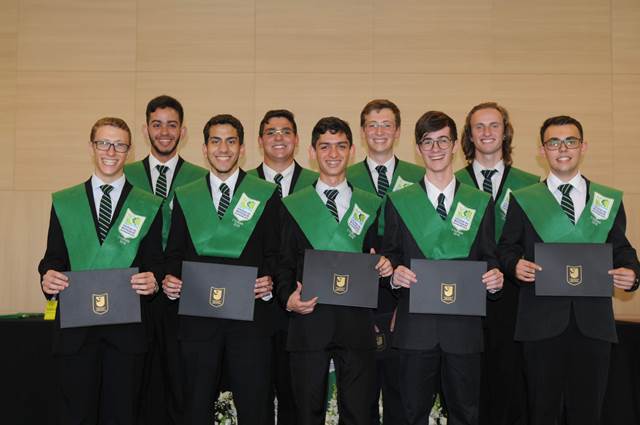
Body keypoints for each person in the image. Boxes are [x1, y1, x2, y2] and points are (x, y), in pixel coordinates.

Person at [498, 115, 640, 425]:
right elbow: (507, 248)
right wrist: (514, 265)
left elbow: (621, 248)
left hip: (594, 325)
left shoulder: (607, 200)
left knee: (588, 412)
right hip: (540, 323)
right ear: (542, 151)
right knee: (542, 411)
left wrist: (632, 272)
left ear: (583, 147)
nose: (563, 148)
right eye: (554, 142)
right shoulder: (523, 200)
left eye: (570, 141)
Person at [39, 117, 163, 425]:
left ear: (129, 151)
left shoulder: (148, 205)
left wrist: (154, 279)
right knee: (75, 415)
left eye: (120, 144)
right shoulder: (65, 202)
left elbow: (156, 264)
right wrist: (48, 276)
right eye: (104, 143)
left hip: (127, 333)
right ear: (92, 147)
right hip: (76, 332)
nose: (111, 151)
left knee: (123, 415)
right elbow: (53, 258)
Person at [383, 111, 503, 425]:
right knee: (411, 414)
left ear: (453, 146)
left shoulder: (480, 202)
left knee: (466, 413)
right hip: (415, 330)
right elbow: (391, 255)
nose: (435, 149)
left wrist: (495, 277)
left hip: (463, 330)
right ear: (418, 149)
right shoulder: (398, 201)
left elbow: (490, 257)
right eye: (427, 142)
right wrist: (394, 275)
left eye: (442, 141)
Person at [162, 114, 280, 425]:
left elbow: (275, 253)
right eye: (215, 141)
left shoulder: (264, 194)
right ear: (204, 148)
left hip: (251, 320)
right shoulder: (186, 196)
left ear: (242, 149)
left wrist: (269, 282)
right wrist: (171, 279)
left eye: (230, 141)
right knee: (196, 406)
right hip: (198, 321)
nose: (223, 148)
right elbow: (173, 253)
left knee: (255, 407)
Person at [277, 116, 393, 425]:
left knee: (358, 413)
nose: (333, 154)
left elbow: (380, 254)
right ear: (313, 153)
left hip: (356, 324)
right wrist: (287, 297)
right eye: (325, 147)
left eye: (341, 146)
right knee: (306, 412)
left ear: (352, 151)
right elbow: (282, 261)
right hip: (308, 322)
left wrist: (383, 264)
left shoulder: (370, 205)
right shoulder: (291, 205)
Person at [125, 94, 207, 425]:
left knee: (181, 383)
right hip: (133, 294)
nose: (164, 131)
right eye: (157, 124)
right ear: (146, 130)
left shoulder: (202, 179)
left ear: (182, 132)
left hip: (183, 293)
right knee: (134, 383)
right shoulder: (125, 176)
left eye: (172, 125)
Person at [456, 102, 538, 425]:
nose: (487, 132)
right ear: (469, 135)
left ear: (505, 132)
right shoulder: (450, 182)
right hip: (462, 294)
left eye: (494, 125)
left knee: (510, 381)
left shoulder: (532, 186)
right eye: (479, 126)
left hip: (514, 298)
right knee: (466, 380)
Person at [347, 99, 424, 424]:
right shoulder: (343, 175)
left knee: (400, 384)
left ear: (398, 131)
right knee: (360, 385)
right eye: (373, 125)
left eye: (387, 125)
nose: (380, 132)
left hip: (405, 289)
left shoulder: (421, 177)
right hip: (355, 292)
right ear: (363, 132)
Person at [248, 109, 318, 425]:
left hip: (302, 305)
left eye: (286, 131)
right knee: (256, 393)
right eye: (272, 131)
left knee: (297, 395)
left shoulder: (317, 185)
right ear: (261, 139)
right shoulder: (243, 185)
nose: (279, 137)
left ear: (297, 140)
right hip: (254, 307)